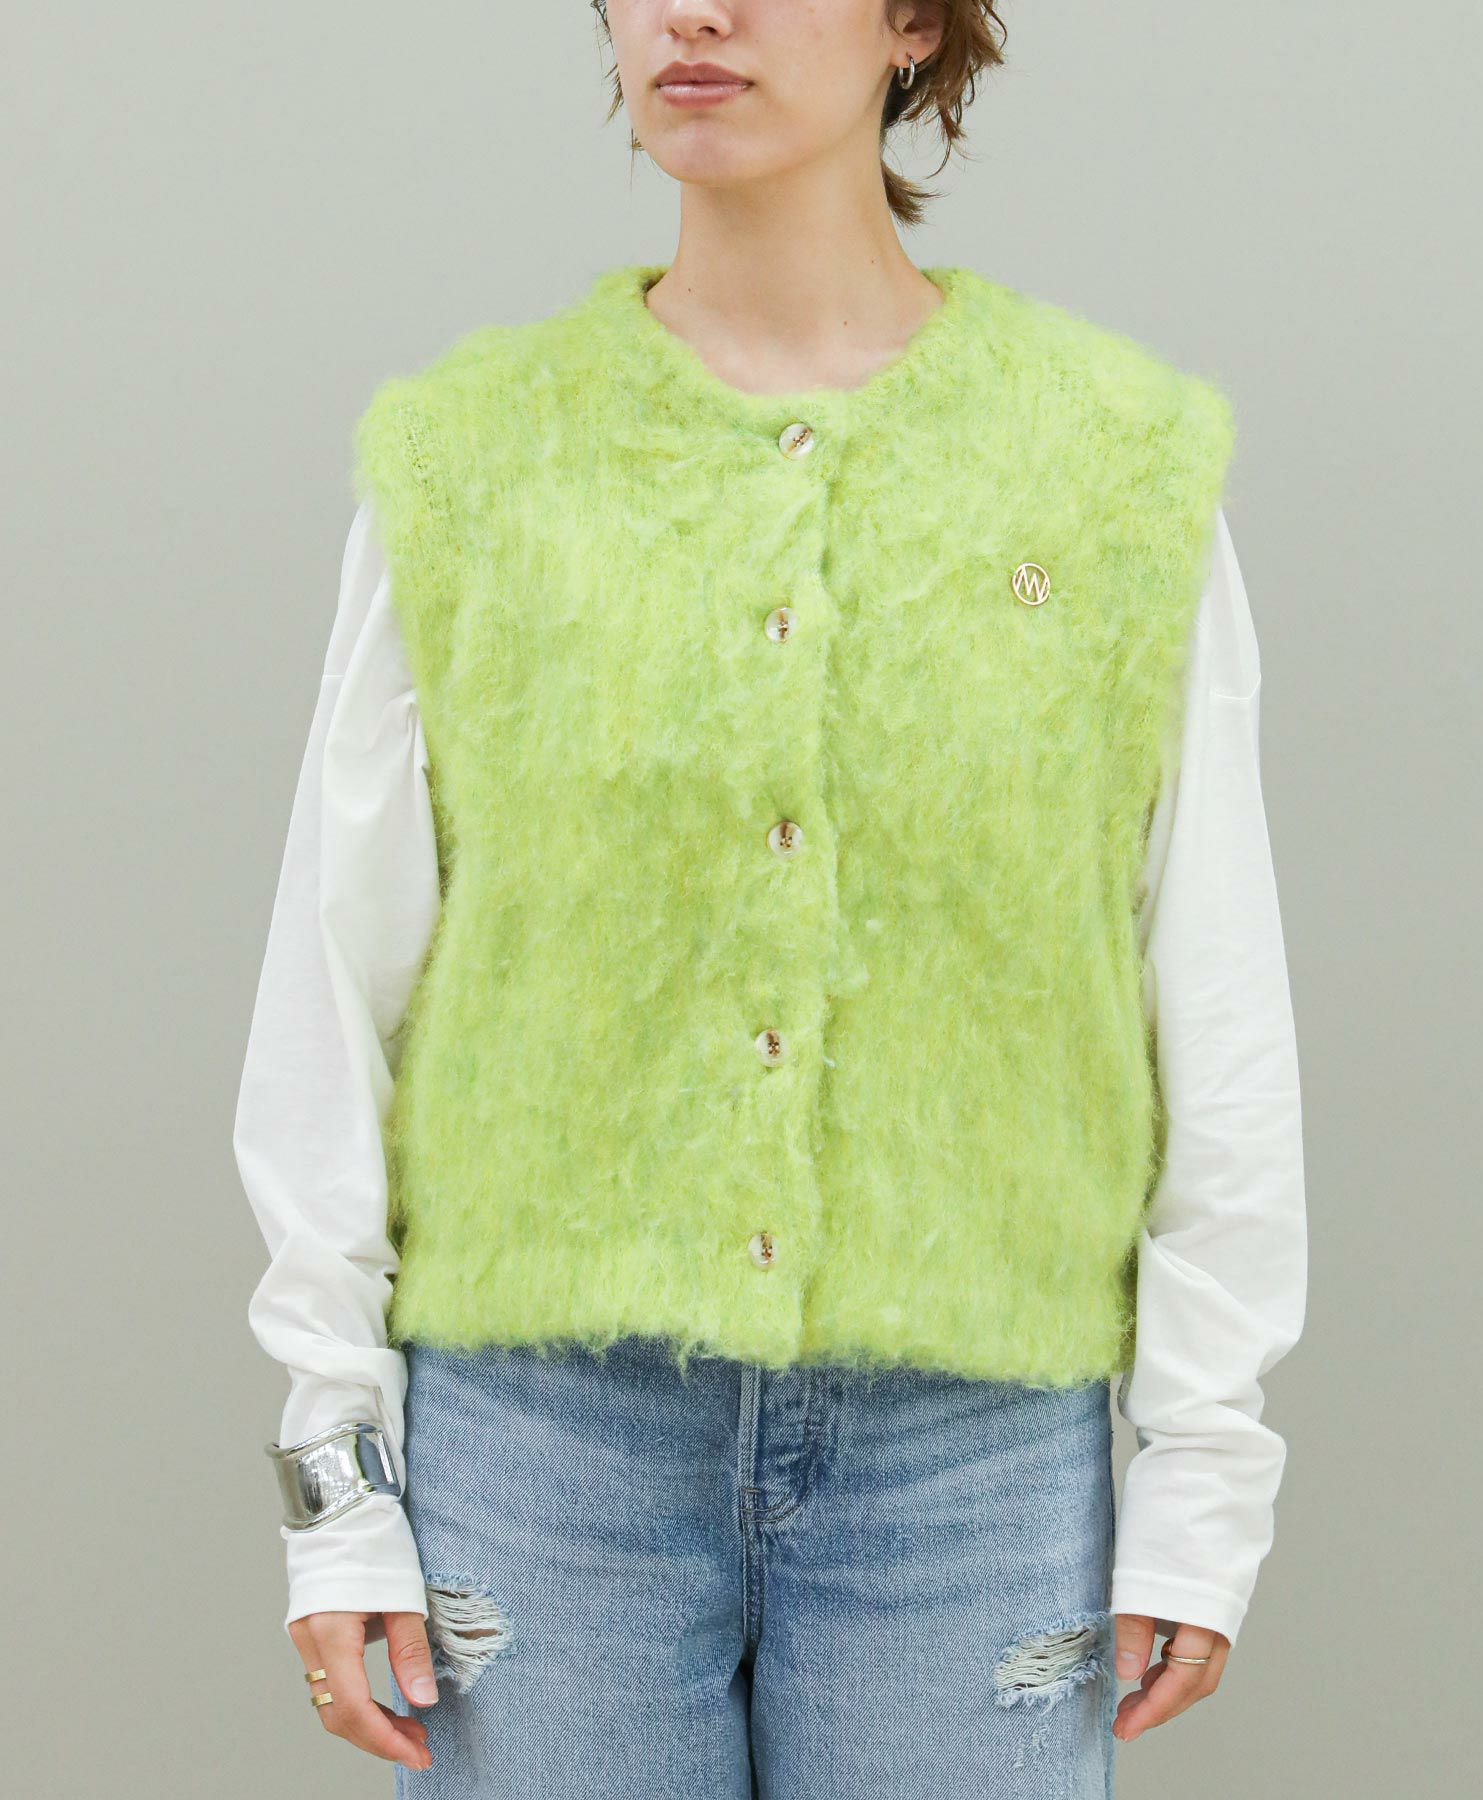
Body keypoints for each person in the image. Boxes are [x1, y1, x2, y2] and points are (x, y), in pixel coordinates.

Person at [233, 4, 1306, 1794]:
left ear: (913, 21)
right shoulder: (473, 459)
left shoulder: (1117, 463)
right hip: (538, 1441)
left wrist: (1206, 1464)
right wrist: (333, 1474)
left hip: (977, 1454)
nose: (694, 11)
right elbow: (332, 987)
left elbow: (1212, 984)